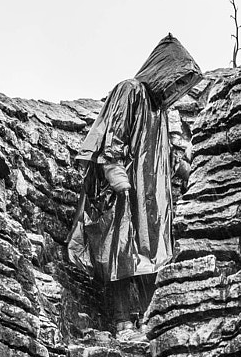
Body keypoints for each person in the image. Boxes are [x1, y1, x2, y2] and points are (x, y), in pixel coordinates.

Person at [68, 34, 202, 331]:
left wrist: (183, 170)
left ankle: (146, 322)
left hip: (149, 199)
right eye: (177, 80)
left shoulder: (159, 109)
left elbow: (162, 153)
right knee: (119, 253)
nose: (177, 89)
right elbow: (112, 135)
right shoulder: (130, 90)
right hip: (122, 193)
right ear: (163, 69)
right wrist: (116, 177)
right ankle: (122, 323)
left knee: (148, 256)